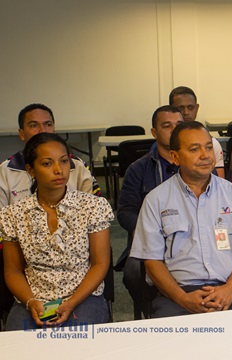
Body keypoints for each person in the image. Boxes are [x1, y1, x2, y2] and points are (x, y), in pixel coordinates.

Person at [129, 121, 232, 318]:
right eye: (194, 149)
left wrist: (230, 289)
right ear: (175, 157)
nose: (205, 155)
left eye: (208, 147)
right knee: (174, 345)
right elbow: (152, 262)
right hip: (179, 295)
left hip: (231, 292)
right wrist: (182, 298)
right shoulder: (156, 200)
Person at [0, 133, 113, 330]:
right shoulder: (14, 214)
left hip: (82, 296)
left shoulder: (92, 206)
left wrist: (71, 302)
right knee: (18, 347)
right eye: (47, 163)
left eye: (63, 161)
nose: (58, 170)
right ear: (30, 170)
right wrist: (30, 301)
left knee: (74, 342)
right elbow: (13, 270)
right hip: (34, 298)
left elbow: (100, 263)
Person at [114, 105, 183, 317]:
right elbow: (125, 212)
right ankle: (153, 316)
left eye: (178, 126)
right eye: (166, 126)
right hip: (150, 239)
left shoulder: (194, 164)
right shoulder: (138, 169)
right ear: (154, 132)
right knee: (134, 273)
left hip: (188, 237)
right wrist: (152, 230)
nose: (173, 131)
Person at [0, 103, 100, 207]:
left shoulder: (77, 166)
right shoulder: (6, 170)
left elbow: (92, 210)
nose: (42, 130)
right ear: (21, 133)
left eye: (48, 124)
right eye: (34, 125)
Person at [169, 86, 225, 178]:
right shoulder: (164, 143)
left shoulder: (212, 143)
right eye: (180, 108)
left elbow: (220, 182)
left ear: (197, 108)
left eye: (190, 107)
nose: (186, 112)